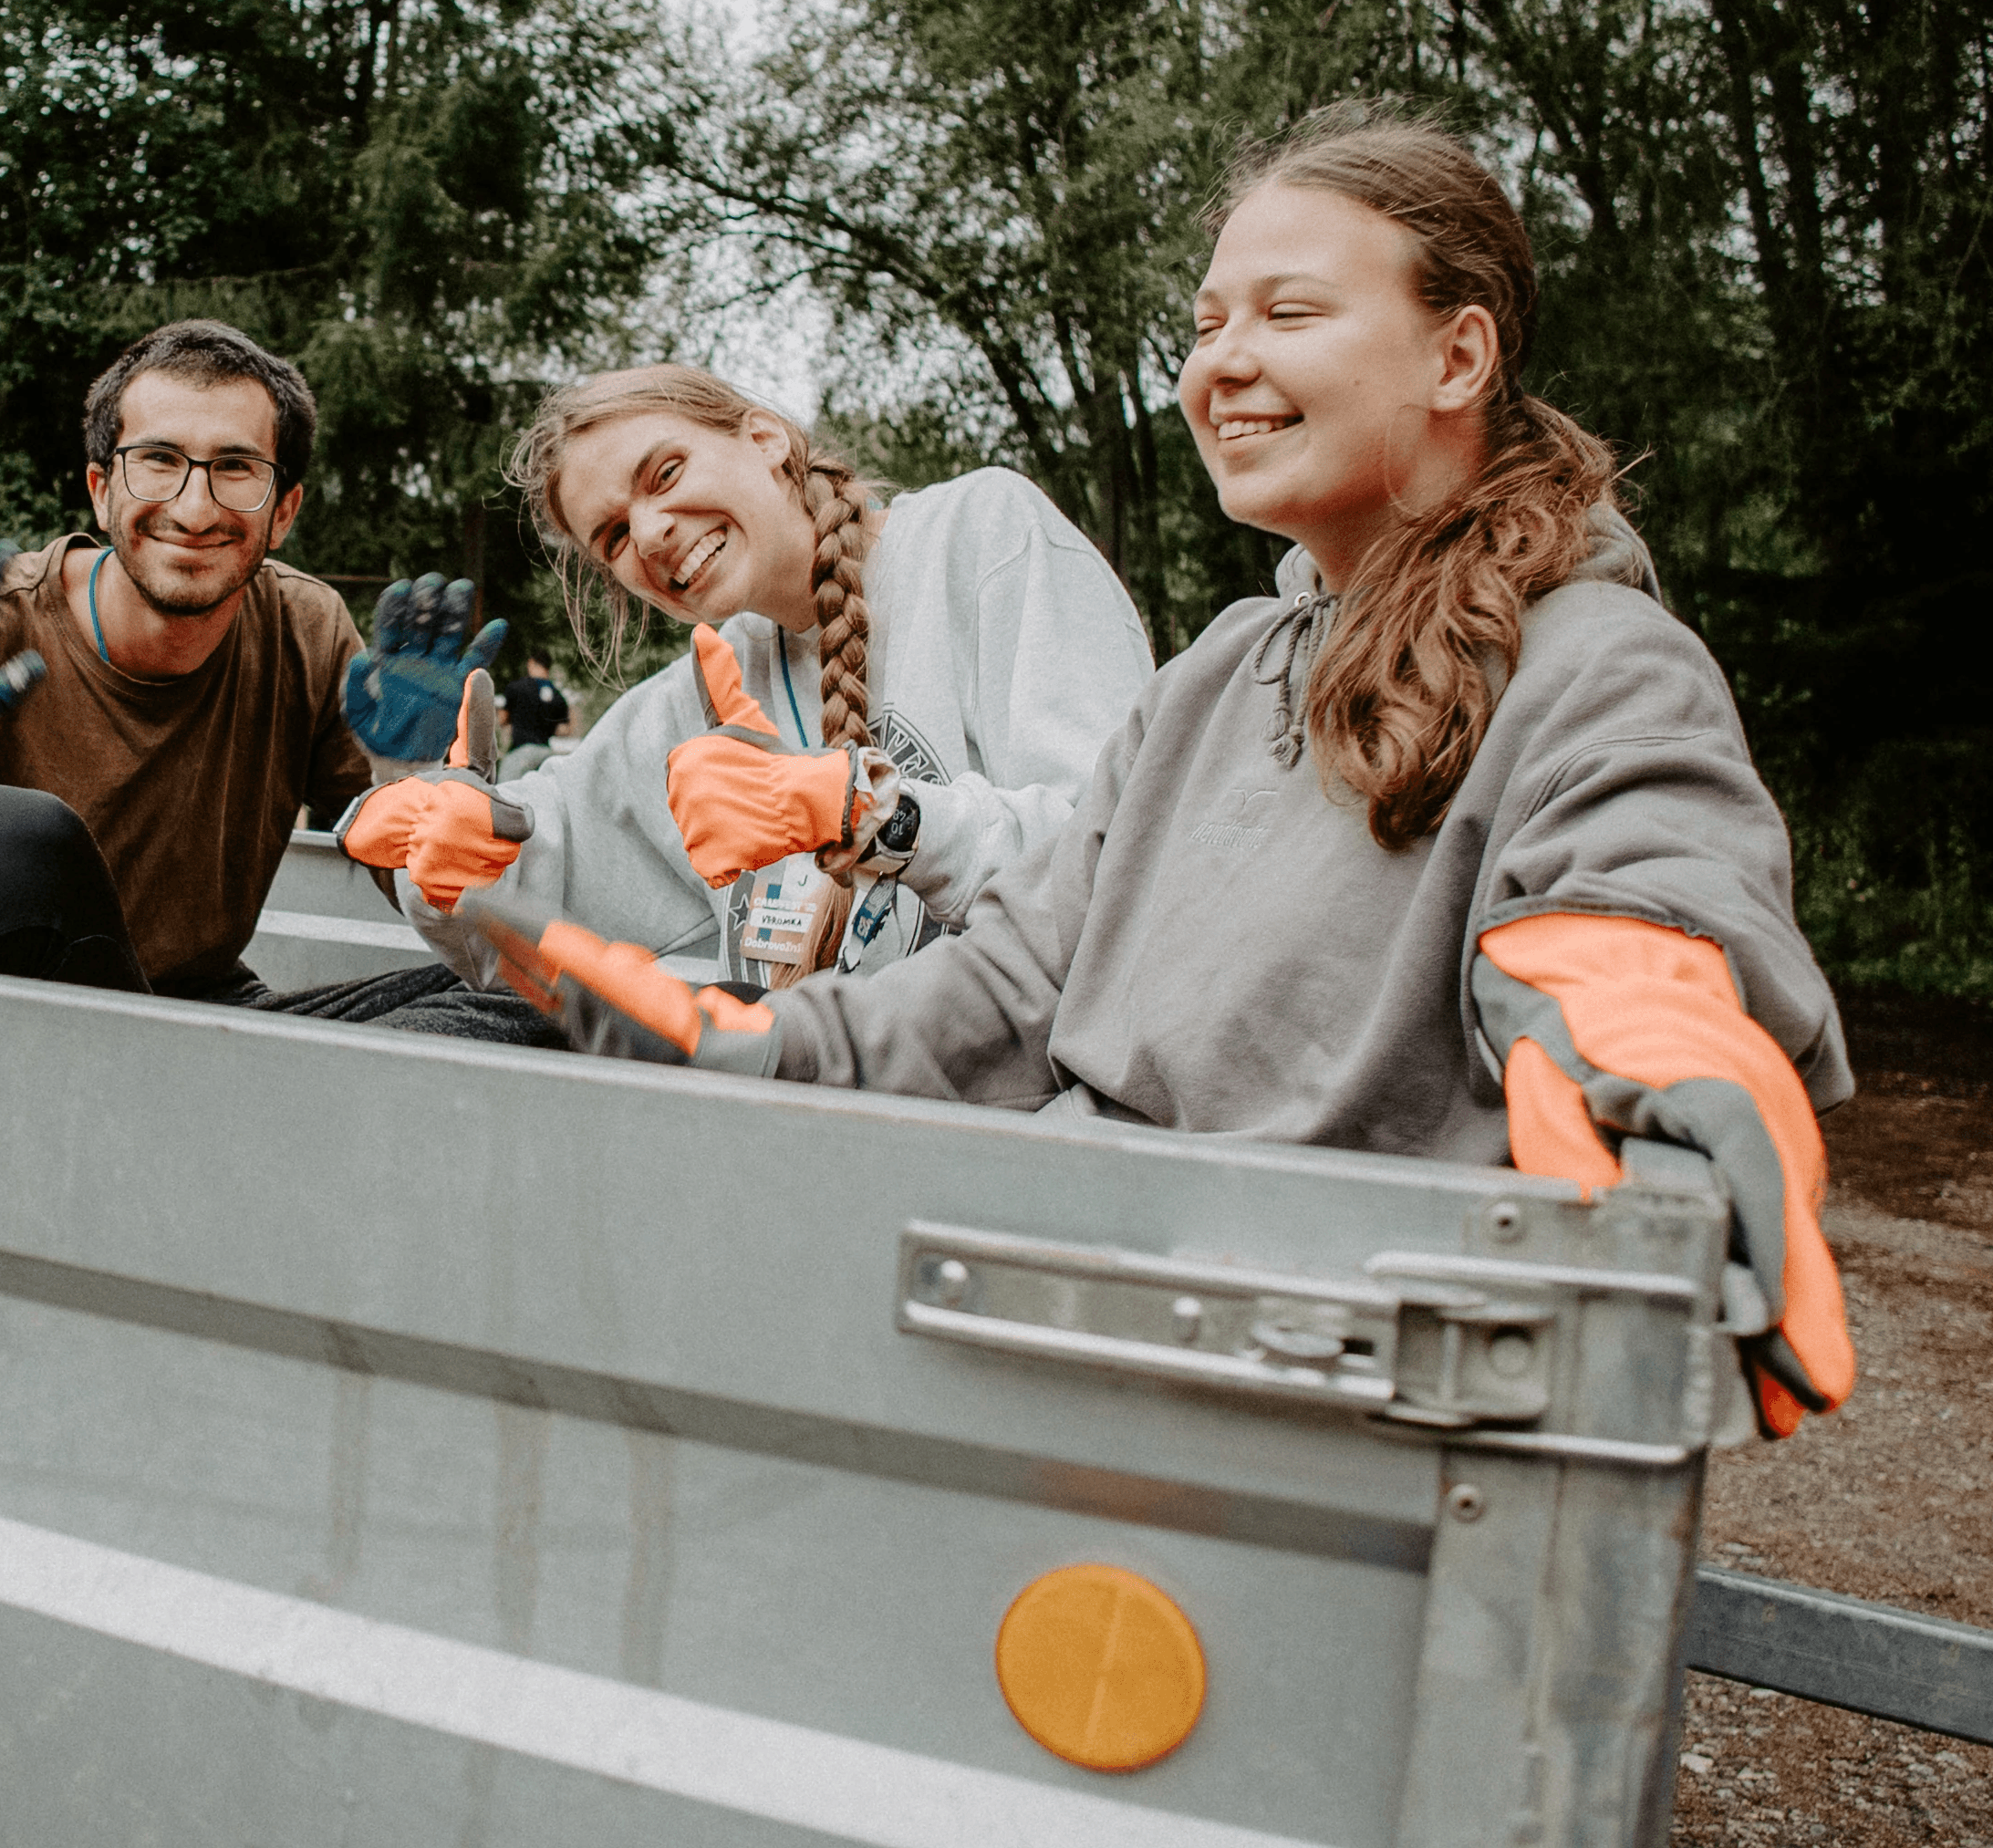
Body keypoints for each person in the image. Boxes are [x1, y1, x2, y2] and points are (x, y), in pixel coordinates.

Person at [459, 103, 1858, 1438]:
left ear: (1457, 357)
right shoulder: (1220, 670)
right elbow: (1014, 986)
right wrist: (768, 1049)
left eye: (1286, 313)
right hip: (1058, 1295)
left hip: (1292, 1360)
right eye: (1204, 325)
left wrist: (1656, 1047)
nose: (1216, 365)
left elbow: (1632, 908)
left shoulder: (1598, 661)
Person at [0, 320, 498, 1003]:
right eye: (159, 459)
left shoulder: (307, 629)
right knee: (22, 835)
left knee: (538, 1006)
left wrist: (414, 781)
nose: (194, 509)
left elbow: (439, 895)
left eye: (235, 468)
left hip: (182, 1013)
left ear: (283, 510)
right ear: (100, 489)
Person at [335, 367, 1154, 1023]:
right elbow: (538, 882)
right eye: (614, 535)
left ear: (765, 439)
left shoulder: (978, 535)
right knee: (418, 1019)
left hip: (1002, 1083)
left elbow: (1119, 859)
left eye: (665, 473)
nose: (650, 533)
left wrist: (877, 818)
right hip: (796, 1085)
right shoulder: (701, 690)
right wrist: (431, 817)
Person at [494, 651, 568, 780]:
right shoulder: (558, 696)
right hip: (546, 754)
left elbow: (502, 720)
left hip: (521, 752)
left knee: (504, 793)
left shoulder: (516, 688)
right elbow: (564, 730)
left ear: (531, 663)